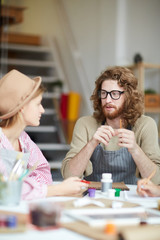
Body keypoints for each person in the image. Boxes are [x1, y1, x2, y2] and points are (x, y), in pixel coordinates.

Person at [61, 66, 160, 184]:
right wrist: (91, 144)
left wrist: (135, 149)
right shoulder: (85, 124)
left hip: (130, 197)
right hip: (93, 197)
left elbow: (156, 180)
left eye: (115, 94)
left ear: (128, 96)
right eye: (104, 93)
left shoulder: (145, 125)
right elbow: (69, 177)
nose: (107, 100)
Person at [0, 69, 88, 200]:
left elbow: (44, 174)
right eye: (37, 104)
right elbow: (5, 189)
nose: (42, 109)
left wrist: (25, 187)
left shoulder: (23, 139)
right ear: (22, 107)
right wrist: (58, 189)